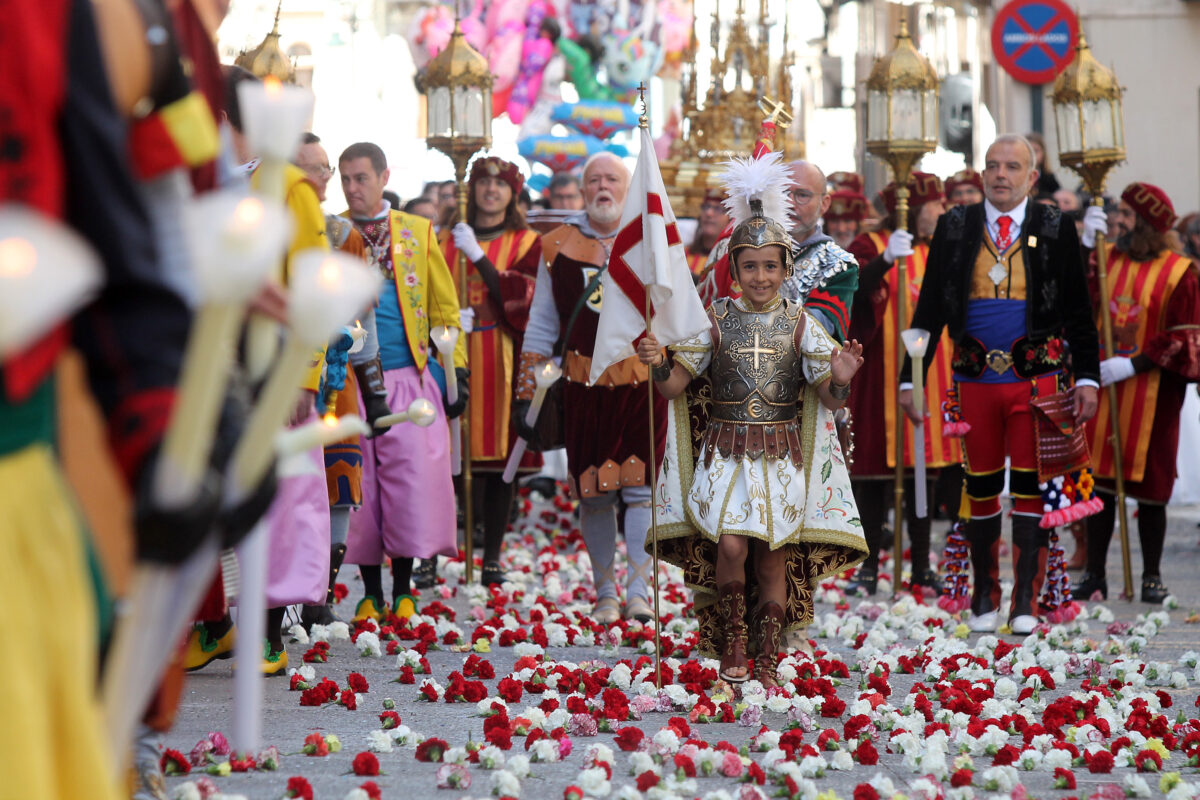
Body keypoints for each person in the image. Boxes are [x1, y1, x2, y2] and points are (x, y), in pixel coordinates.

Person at [637, 152, 867, 687]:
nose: (760, 276)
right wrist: (658, 364)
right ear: (734, 269)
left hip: (782, 456)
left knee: (771, 558)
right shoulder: (714, 320)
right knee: (732, 546)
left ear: (786, 269)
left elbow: (829, 401)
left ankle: (767, 652)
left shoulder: (800, 324)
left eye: (770, 266)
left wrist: (841, 376)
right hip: (724, 454)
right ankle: (733, 639)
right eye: (749, 266)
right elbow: (676, 386)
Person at [899, 134, 1100, 635]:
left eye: (1012, 166)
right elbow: (926, 312)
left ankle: (1025, 600)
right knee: (981, 487)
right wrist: (910, 380)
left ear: (1032, 177)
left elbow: (1079, 311)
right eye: (992, 166)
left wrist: (1090, 377)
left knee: (1031, 488)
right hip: (973, 380)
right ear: (982, 174)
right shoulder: (955, 225)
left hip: (1037, 384)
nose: (1001, 175)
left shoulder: (1055, 226)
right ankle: (984, 594)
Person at [517, 152, 658, 624]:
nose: (603, 187)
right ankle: (605, 594)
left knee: (640, 491)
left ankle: (639, 592)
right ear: (581, 188)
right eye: (593, 179)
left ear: (627, 185)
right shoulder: (557, 243)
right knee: (594, 492)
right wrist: (527, 392)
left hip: (639, 385)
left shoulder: (652, 239)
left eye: (612, 179)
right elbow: (541, 324)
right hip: (583, 386)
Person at [340, 142, 468, 622]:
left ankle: (404, 588)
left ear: (383, 175)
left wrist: (453, 369)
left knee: (410, 486)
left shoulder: (416, 232)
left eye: (361, 178)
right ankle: (370, 593)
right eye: (346, 179)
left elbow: (443, 307)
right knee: (362, 489)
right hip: (350, 384)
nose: (353, 188)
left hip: (410, 379)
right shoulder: (331, 232)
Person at [1074, 183, 1200, 603]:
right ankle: (1094, 573)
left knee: (1150, 488)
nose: (1117, 221)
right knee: (1100, 485)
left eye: (1127, 216)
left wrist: (1134, 363)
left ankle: (1151, 575)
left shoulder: (1182, 271)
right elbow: (1079, 304)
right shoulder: (1105, 260)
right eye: (1117, 213)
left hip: (1153, 393)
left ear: (1147, 224)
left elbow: (1184, 336)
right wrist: (1083, 249)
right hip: (1104, 392)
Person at [843, 172, 960, 596]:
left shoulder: (935, 250)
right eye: (937, 205)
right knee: (874, 473)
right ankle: (869, 564)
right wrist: (883, 263)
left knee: (921, 474)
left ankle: (922, 565)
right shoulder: (869, 246)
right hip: (879, 376)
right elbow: (850, 293)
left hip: (928, 377)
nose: (942, 212)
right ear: (912, 208)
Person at [438, 157, 541, 586]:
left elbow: (524, 299)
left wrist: (479, 259)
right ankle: (438, 550)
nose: (491, 191)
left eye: (501, 184)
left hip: (503, 356)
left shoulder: (527, 241)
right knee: (446, 457)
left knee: (501, 461)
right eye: (483, 182)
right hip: (454, 355)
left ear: (513, 193)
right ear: (472, 189)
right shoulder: (444, 241)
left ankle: (493, 555)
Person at [687, 190, 730, 276]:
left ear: (731, 218)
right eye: (706, 207)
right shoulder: (681, 254)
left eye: (718, 208)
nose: (708, 213)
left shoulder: (733, 260)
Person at [1026, 132, 1061, 197]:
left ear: (1043, 153)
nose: (1032, 155)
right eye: (1028, 151)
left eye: (1036, 151)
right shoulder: (1019, 176)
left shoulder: (1048, 178)